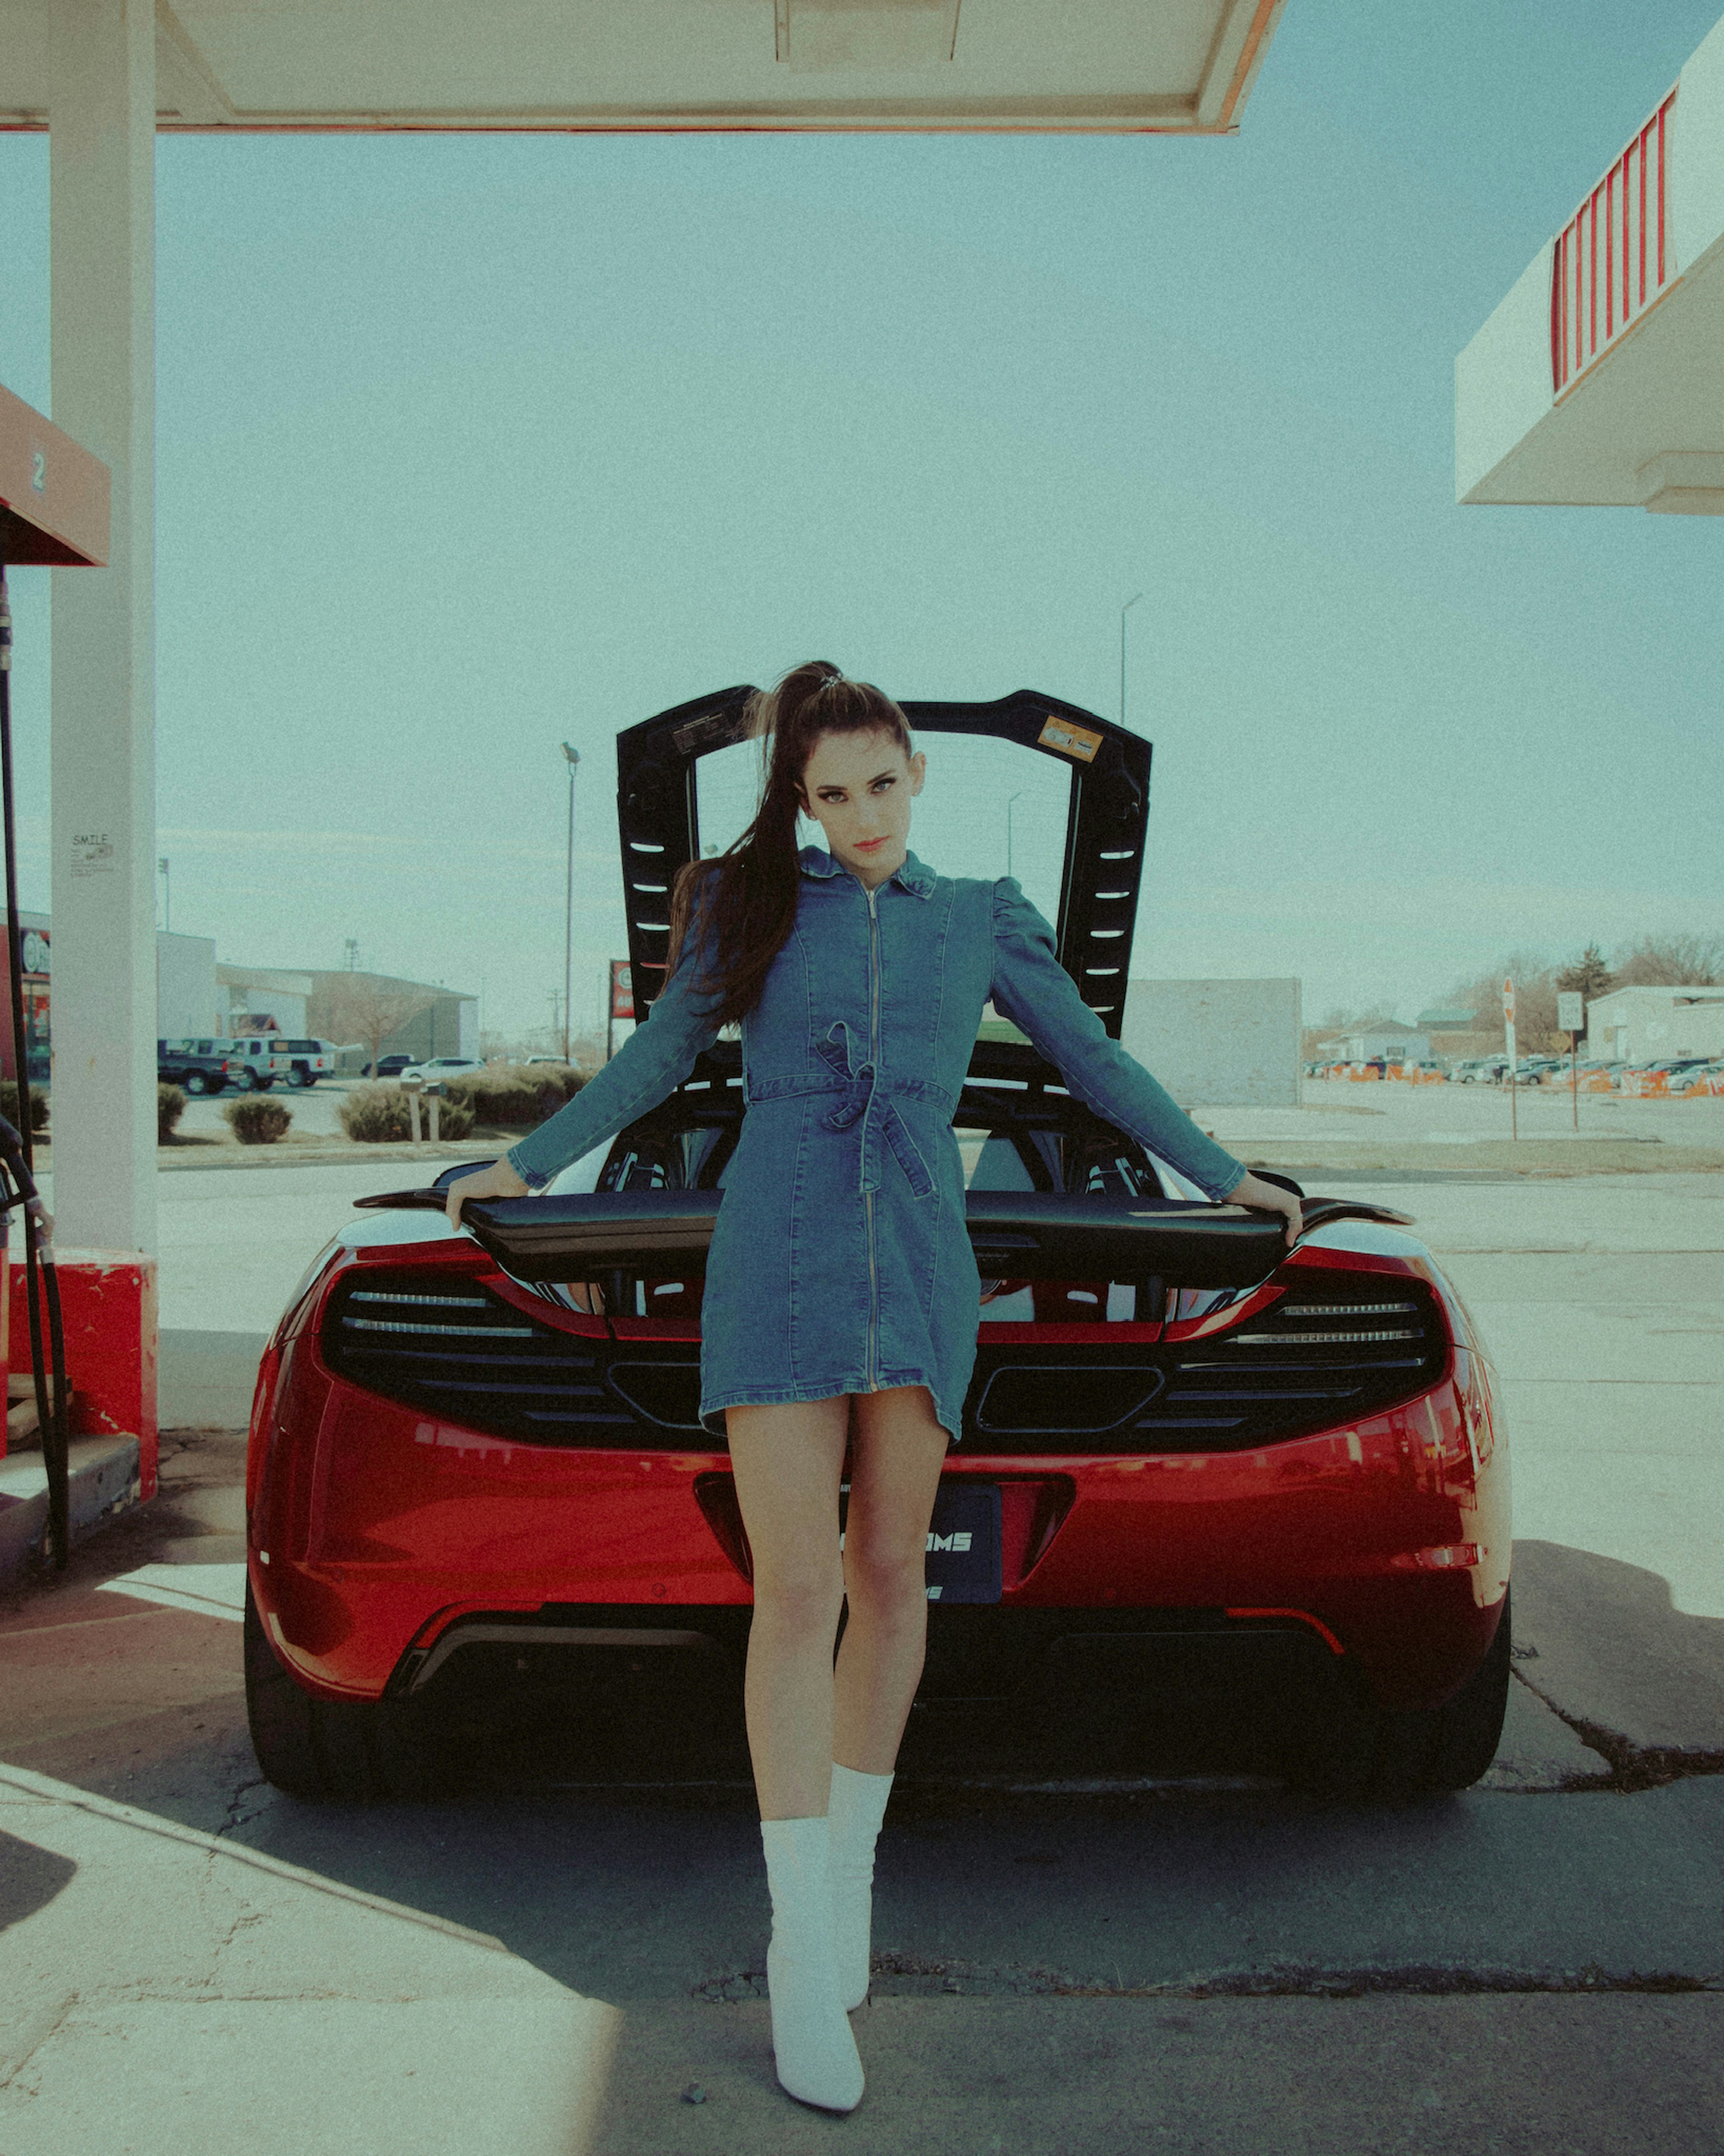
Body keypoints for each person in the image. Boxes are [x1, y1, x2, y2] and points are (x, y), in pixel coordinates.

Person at [444, 663, 1299, 2113]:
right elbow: (660, 1057)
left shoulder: (981, 920)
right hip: (776, 1247)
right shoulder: (747, 904)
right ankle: (794, 1947)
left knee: (894, 1572)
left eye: (879, 786)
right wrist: (523, 1165)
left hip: (921, 1255)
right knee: (796, 1589)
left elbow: (1090, 1061)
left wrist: (1226, 1174)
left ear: (919, 773)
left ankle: (846, 1892)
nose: (859, 818)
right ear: (801, 793)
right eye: (829, 794)